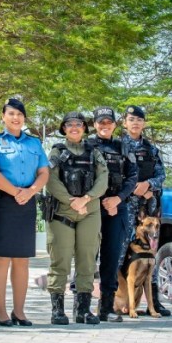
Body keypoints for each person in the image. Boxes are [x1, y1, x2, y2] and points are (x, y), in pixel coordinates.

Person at [0, 98, 50, 327]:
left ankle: (19, 311)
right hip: (3, 202)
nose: (16, 118)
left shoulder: (34, 143)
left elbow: (44, 172)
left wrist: (30, 191)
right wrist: (15, 192)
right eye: (11, 113)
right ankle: (1, 311)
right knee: (1, 258)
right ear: (3, 117)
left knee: (22, 259)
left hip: (26, 202)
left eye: (20, 114)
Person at [44, 111, 108, 325]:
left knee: (87, 260)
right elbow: (50, 179)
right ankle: (57, 311)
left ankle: (83, 310)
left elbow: (103, 179)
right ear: (63, 128)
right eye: (69, 124)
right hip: (62, 211)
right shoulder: (57, 151)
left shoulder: (94, 152)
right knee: (60, 259)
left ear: (84, 128)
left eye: (78, 124)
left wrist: (86, 199)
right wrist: (71, 201)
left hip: (89, 210)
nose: (74, 127)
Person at [88, 106, 138, 322]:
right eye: (101, 122)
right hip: (91, 207)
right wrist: (97, 200)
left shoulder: (123, 147)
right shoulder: (86, 146)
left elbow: (132, 177)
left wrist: (117, 199)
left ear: (115, 125)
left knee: (111, 258)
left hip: (116, 208)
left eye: (109, 122)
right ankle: (82, 307)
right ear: (94, 125)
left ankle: (106, 308)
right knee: (87, 257)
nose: (105, 126)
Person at [123, 105, 171, 316]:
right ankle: (113, 302)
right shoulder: (118, 146)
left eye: (139, 120)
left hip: (148, 208)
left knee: (151, 255)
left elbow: (161, 175)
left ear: (144, 123)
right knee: (120, 254)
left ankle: (154, 303)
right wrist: (132, 188)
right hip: (125, 208)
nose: (135, 123)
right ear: (125, 123)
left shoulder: (151, 149)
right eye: (131, 119)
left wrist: (149, 186)